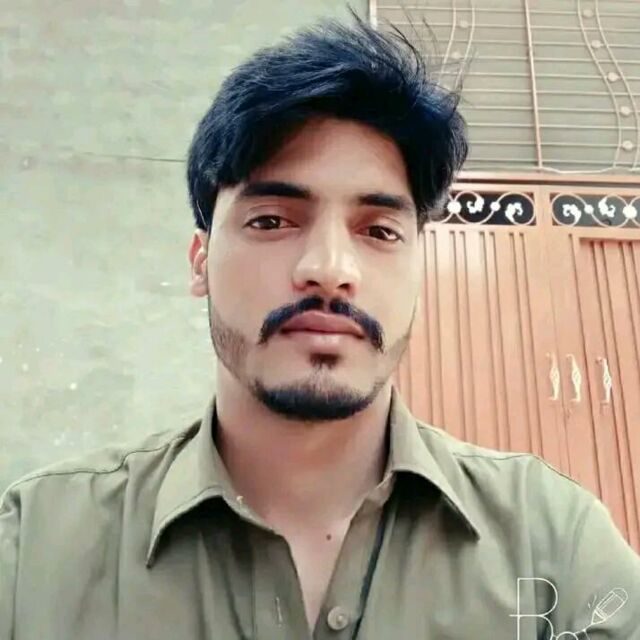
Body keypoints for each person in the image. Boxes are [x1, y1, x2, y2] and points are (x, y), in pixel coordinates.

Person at [1, 11, 639, 640]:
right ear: (200, 262)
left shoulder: (556, 550)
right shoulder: (33, 550)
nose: (330, 270)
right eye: (272, 221)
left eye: (379, 231)